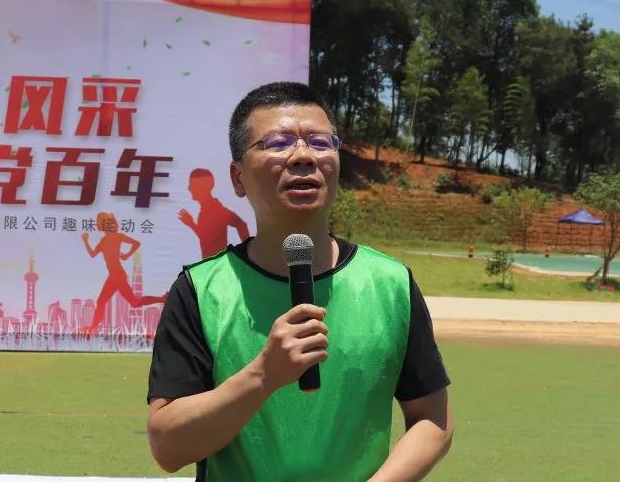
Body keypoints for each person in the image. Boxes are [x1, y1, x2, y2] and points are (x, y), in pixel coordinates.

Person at [146, 82, 452, 481]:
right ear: (238, 177)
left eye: (321, 143)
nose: (304, 156)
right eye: (278, 143)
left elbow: (433, 419)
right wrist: (263, 375)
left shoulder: (390, 284)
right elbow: (168, 447)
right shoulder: (200, 290)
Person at [81, 211, 166, 336]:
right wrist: (85, 241)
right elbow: (93, 254)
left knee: (106, 302)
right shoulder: (104, 240)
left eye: (98, 222)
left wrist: (127, 255)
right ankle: (162, 298)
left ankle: (93, 328)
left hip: (117, 275)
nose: (96, 224)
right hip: (114, 275)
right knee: (130, 302)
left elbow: (136, 243)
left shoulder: (116, 236)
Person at [178, 168, 250, 259]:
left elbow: (241, 224)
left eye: (193, 184)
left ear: (204, 187)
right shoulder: (207, 210)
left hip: (216, 263)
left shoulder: (216, 209)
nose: (189, 188)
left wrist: (245, 254)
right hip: (211, 263)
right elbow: (206, 238)